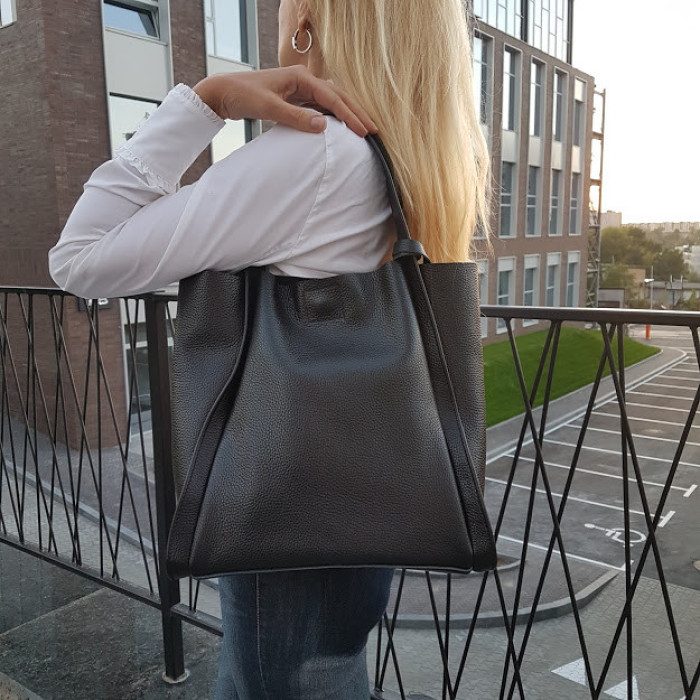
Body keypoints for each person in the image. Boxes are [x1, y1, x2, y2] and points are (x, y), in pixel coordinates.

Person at [48, 0, 490, 697]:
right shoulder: (410, 152)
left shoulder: (316, 151)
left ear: (309, 16)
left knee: (276, 679)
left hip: (284, 499)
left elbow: (79, 258)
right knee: (330, 667)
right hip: (374, 488)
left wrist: (206, 102)